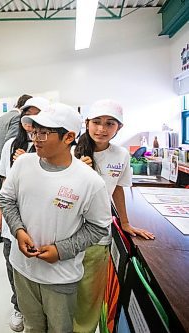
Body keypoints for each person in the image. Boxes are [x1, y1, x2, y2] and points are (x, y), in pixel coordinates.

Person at [0, 103, 111, 332]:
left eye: (44, 133)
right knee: (32, 326)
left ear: (68, 137)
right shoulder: (22, 164)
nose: (36, 138)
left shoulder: (89, 181)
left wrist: (62, 250)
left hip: (61, 277)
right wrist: (19, 231)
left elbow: (98, 228)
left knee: (60, 328)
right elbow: (7, 200)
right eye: (34, 132)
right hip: (23, 269)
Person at [73, 99, 155, 333]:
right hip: (65, 231)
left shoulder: (120, 155)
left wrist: (126, 223)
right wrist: (78, 172)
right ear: (87, 123)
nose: (102, 128)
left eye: (110, 123)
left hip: (98, 233)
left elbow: (118, 188)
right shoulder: (71, 152)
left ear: (119, 128)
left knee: (90, 291)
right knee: (64, 287)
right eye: (96, 122)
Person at [0, 96, 49, 332]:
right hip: (11, 217)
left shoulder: (52, 146)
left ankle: (42, 310)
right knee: (11, 262)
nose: (32, 124)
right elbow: (5, 182)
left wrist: (31, 161)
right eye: (28, 117)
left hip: (40, 219)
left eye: (38, 116)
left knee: (39, 264)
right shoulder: (10, 146)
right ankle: (18, 306)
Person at [0, 94, 32, 243]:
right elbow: (14, 140)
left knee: (4, 194)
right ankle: (1, 231)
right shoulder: (15, 120)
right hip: (7, 162)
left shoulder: (1, 118)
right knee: (6, 196)